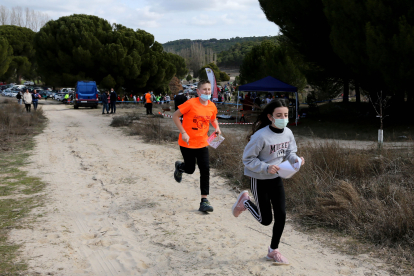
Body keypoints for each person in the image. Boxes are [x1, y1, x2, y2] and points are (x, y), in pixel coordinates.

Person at [231, 99, 305, 265]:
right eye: (279, 115)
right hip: (259, 179)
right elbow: (247, 159)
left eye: (285, 115)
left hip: (276, 178)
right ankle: (245, 201)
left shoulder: (288, 133)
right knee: (266, 220)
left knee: (281, 215)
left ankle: (273, 251)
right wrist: (265, 167)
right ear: (270, 117)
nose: (283, 118)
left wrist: (296, 160)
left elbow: (290, 152)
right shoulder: (260, 136)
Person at [172, 80, 221, 212]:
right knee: (190, 169)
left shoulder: (212, 106)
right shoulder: (190, 103)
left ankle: (204, 201)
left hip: (203, 144)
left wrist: (217, 127)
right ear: (198, 91)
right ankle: (180, 167)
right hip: (187, 143)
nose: (207, 92)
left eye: (209, 89)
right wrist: (183, 132)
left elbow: (213, 118)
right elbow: (175, 116)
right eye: (204, 89)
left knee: (205, 170)